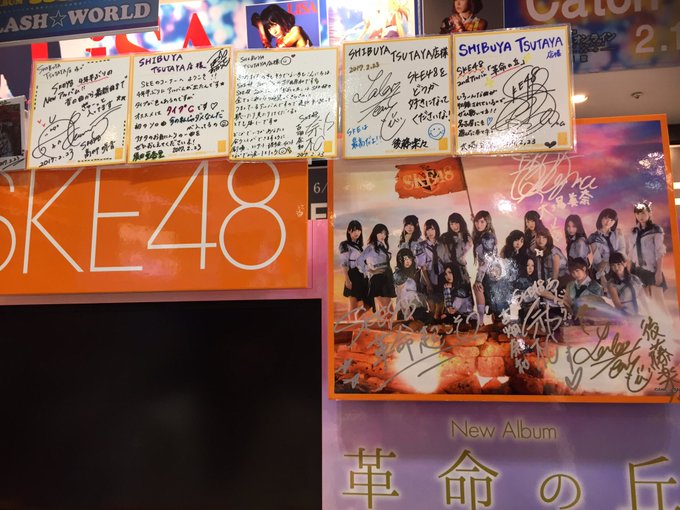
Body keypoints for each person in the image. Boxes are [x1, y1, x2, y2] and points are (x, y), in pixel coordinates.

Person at [628, 201, 668, 313]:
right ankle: (652, 323)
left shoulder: (656, 230)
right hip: (637, 271)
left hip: (651, 269)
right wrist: (629, 271)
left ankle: (667, 323)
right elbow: (631, 253)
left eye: (643, 213)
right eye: (638, 213)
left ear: (650, 213)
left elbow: (659, 251)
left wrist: (658, 272)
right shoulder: (634, 231)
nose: (640, 216)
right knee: (645, 305)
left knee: (659, 302)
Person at [357, 223, 395, 313]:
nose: (383, 236)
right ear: (375, 233)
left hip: (386, 278)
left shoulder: (382, 246)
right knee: (389, 311)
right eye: (381, 233)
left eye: (385, 233)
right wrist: (370, 270)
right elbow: (359, 261)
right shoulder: (371, 247)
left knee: (383, 312)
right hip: (378, 279)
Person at [339, 220, 371, 319]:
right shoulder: (345, 245)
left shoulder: (360, 247)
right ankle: (352, 325)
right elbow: (344, 264)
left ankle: (356, 318)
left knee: (368, 304)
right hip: (352, 275)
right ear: (349, 231)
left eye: (359, 230)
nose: (357, 232)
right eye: (354, 230)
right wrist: (347, 280)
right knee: (353, 306)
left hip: (363, 276)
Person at [588, 208, 625, 290]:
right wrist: (602, 275)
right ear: (600, 218)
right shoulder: (593, 237)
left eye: (612, 220)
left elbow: (622, 249)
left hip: (617, 267)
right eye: (606, 218)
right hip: (601, 269)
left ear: (615, 222)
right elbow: (597, 259)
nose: (608, 222)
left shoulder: (617, 233)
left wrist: (616, 263)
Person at [472, 210, 497, 319]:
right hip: (488, 271)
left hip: (490, 272)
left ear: (487, 222)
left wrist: (478, 279)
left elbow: (487, 260)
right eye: (477, 222)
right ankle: (482, 320)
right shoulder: (483, 235)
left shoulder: (487, 238)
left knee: (478, 288)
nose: (479, 225)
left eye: (482, 222)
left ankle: (481, 320)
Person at [393, 248, 429, 322]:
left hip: (416, 307)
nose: (408, 261)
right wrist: (407, 314)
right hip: (407, 311)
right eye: (405, 259)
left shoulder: (411, 272)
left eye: (409, 259)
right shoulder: (398, 275)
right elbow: (401, 296)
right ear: (400, 260)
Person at [417, 219, 443, 318]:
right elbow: (422, 266)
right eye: (427, 230)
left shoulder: (442, 244)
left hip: (441, 278)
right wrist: (428, 284)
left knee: (440, 310)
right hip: (428, 278)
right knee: (432, 310)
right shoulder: (421, 246)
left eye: (432, 229)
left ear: (436, 229)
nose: (430, 232)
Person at [437, 212, 473, 284]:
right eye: (451, 224)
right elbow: (439, 254)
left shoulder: (467, 238)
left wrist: (474, 221)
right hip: (449, 272)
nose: (454, 226)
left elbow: (462, 256)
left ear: (461, 222)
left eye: (456, 223)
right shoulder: (445, 237)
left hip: (461, 270)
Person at [607, 252, 643, 317]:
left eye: (618, 264)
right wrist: (629, 317)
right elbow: (618, 305)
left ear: (625, 263)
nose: (616, 267)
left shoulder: (634, 279)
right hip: (625, 315)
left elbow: (643, 297)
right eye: (613, 265)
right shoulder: (612, 284)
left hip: (639, 312)